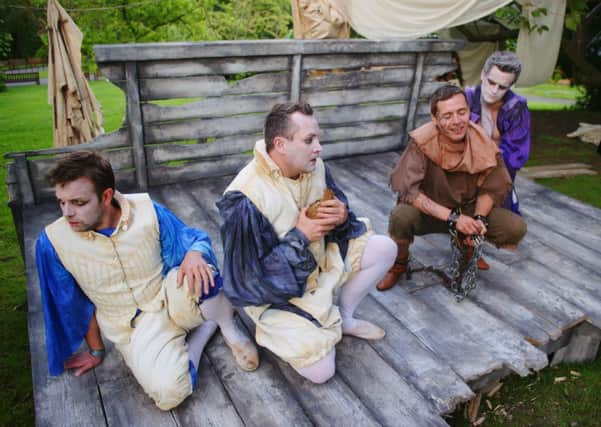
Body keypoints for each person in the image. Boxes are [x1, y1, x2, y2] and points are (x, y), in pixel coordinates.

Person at [36, 151, 258, 411]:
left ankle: (229, 329)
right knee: (169, 394)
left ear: (106, 196)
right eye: (61, 202)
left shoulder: (148, 210)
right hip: (132, 328)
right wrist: (96, 351)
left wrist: (195, 253)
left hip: (167, 294)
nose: (68, 213)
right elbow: (72, 302)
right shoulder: (52, 242)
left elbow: (191, 238)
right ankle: (204, 330)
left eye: (78, 202)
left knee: (202, 269)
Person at [217, 102, 396, 384]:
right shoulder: (244, 198)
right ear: (281, 144)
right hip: (277, 297)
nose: (319, 147)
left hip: (320, 264)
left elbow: (338, 208)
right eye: (309, 140)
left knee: (386, 248)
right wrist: (300, 238)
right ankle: (307, 325)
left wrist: (341, 214)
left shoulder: (314, 166)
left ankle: (343, 319)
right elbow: (246, 283)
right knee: (321, 372)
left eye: (318, 138)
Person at [376, 85, 527, 291]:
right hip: (431, 212)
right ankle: (399, 263)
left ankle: (466, 248)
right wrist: (454, 219)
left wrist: (478, 221)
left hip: (468, 210)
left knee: (514, 227)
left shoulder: (482, 142)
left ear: (469, 112)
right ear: (435, 118)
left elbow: (491, 188)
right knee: (401, 216)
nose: (456, 121)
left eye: (461, 112)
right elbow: (410, 192)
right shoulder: (421, 142)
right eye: (447, 116)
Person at [466, 50, 530, 215]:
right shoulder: (466, 99)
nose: (494, 90)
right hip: (462, 174)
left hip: (497, 178)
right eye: (491, 82)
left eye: (502, 87)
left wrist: (487, 168)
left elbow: (517, 155)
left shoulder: (516, 108)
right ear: (482, 75)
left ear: (510, 86)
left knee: (506, 222)